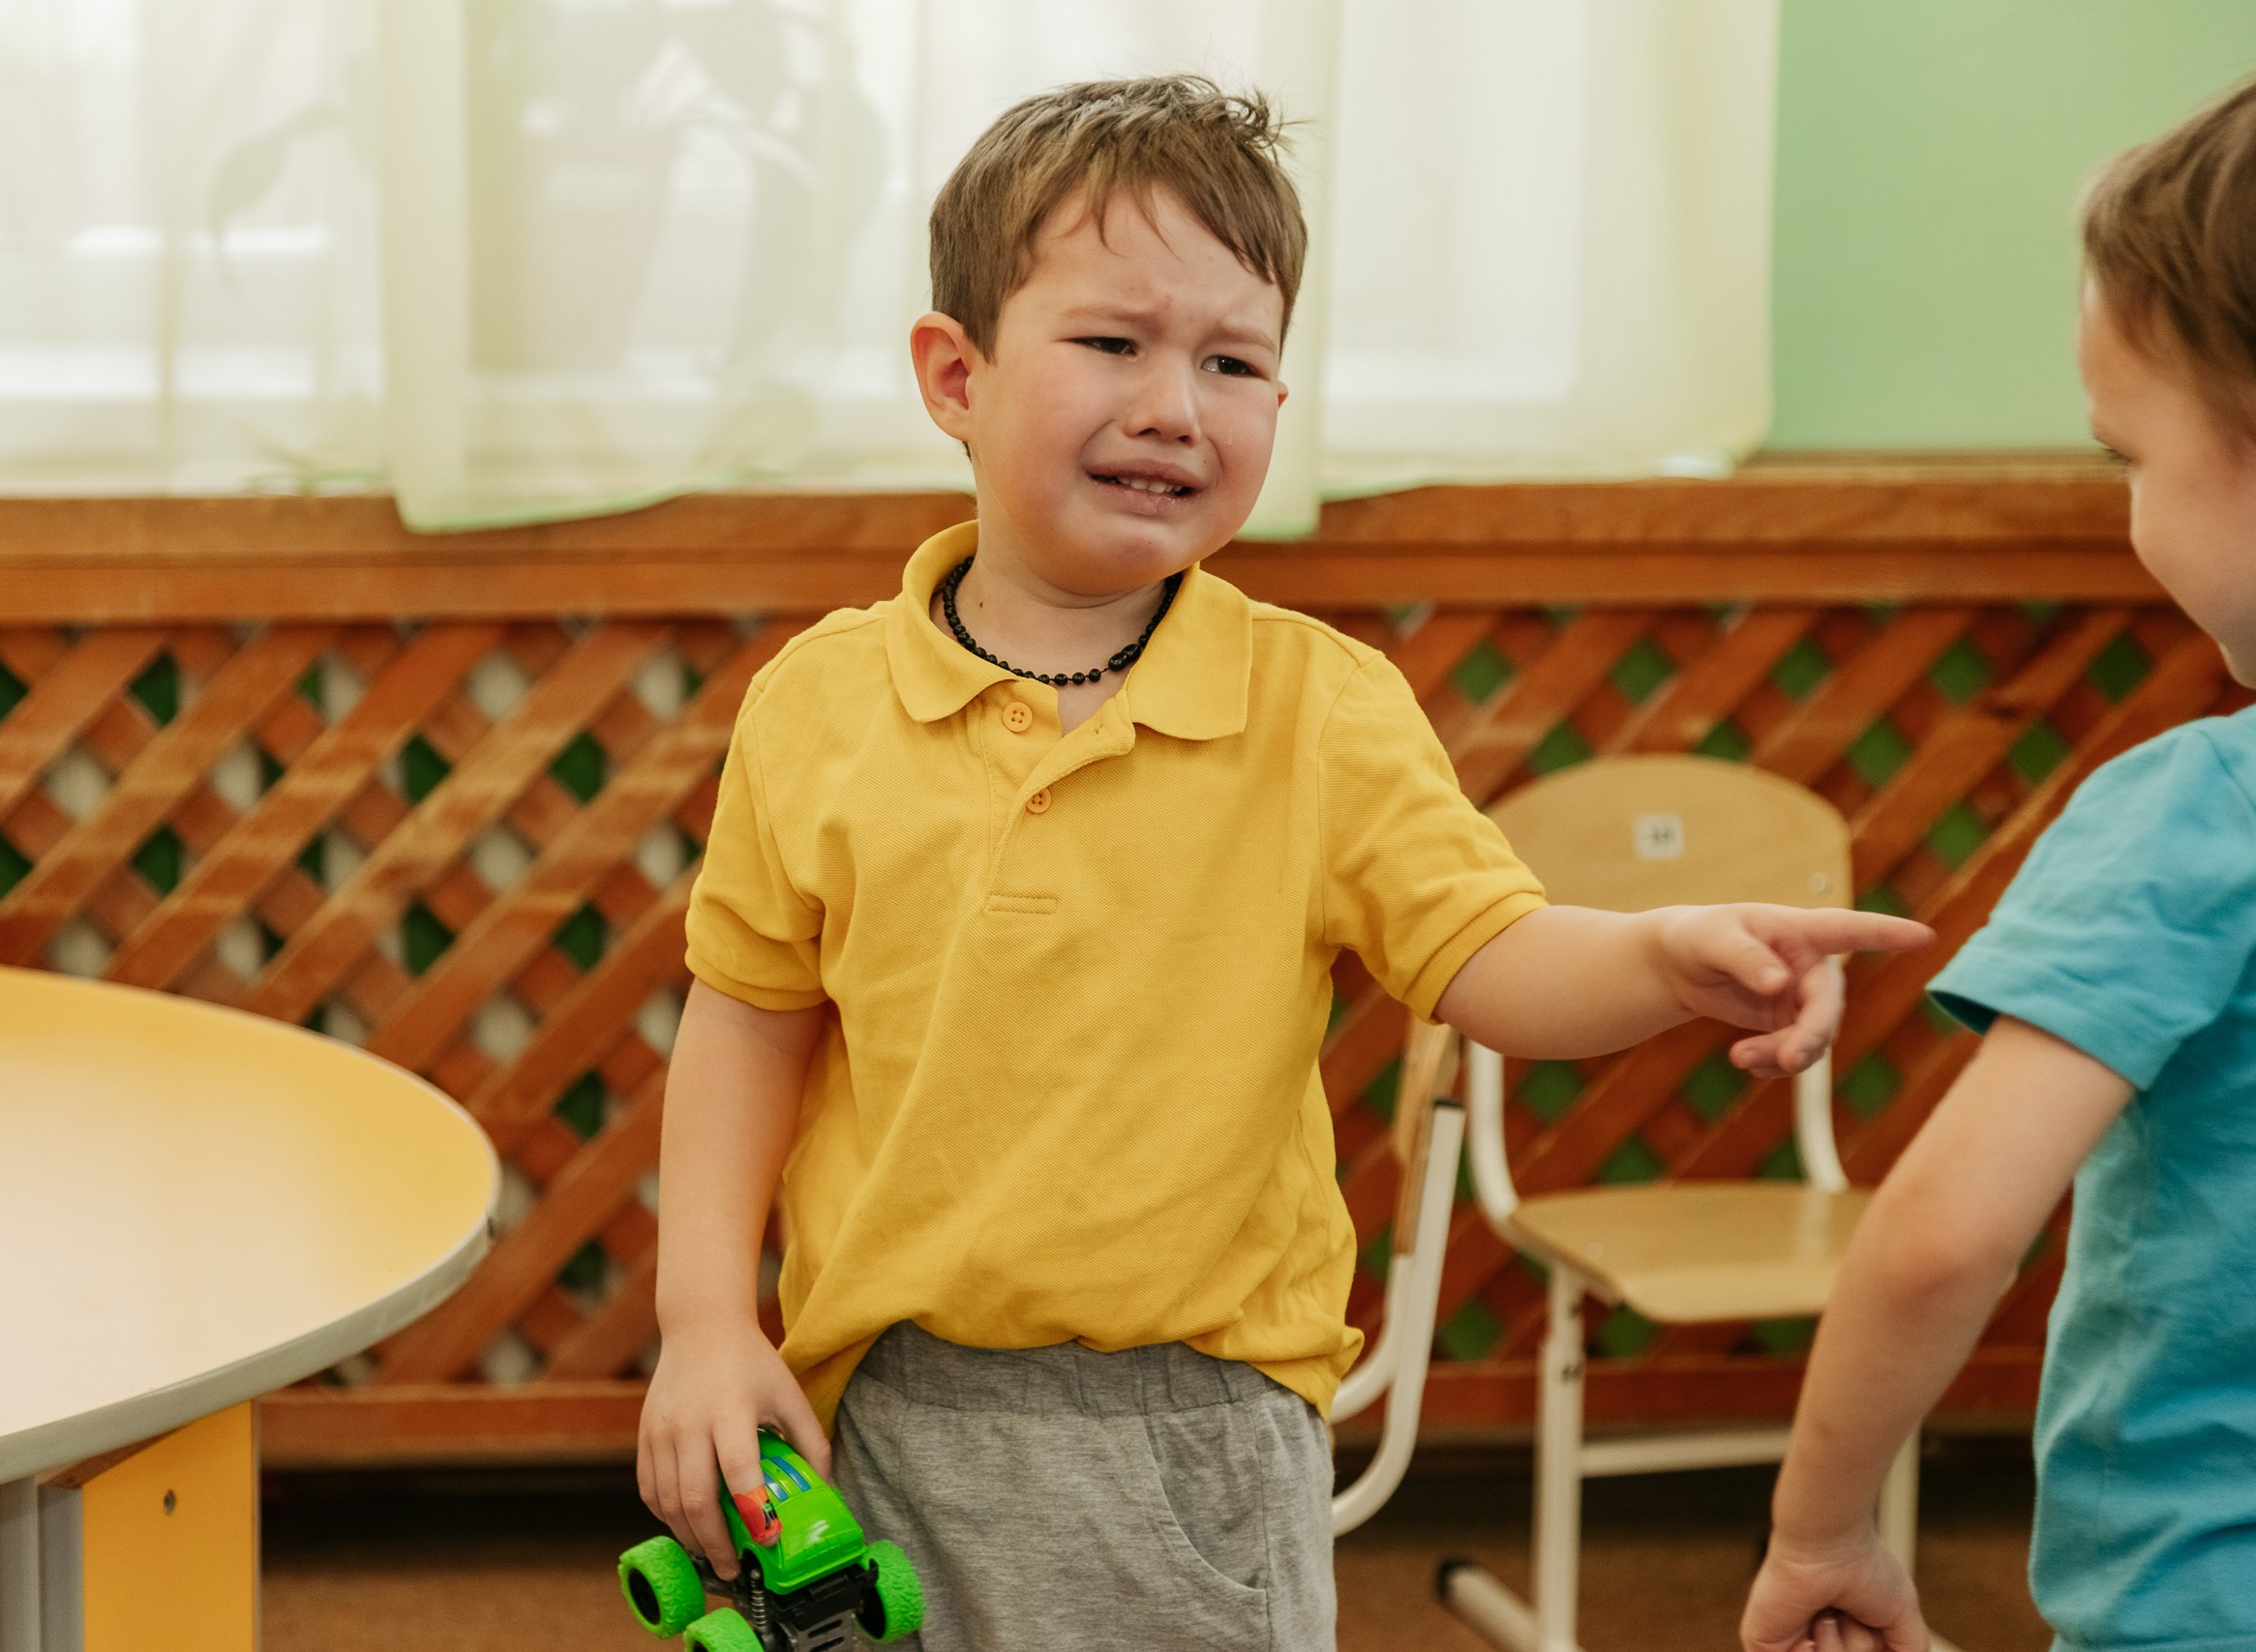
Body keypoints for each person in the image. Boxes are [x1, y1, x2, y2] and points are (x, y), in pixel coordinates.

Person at [638, 75, 1929, 1652]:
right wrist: (703, 1317)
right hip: (886, 1413)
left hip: (1200, 1438)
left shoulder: (1320, 708)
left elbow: (1491, 958)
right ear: (952, 373)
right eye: (1114, 343)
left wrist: (1657, 959)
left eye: (1233, 361)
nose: (1176, 404)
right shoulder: (817, 704)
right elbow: (748, 1016)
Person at [1742, 77, 2256, 1652]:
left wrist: (1821, 1527)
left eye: (2129, 459)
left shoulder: (2196, 816)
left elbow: (1950, 1233)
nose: (2130, 516)